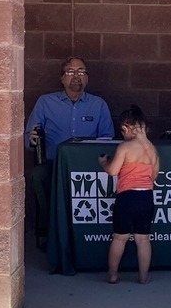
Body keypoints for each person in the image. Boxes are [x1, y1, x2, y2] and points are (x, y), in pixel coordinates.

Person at [25, 56, 114, 248]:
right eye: (71, 72)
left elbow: (108, 139)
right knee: (38, 175)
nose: (76, 76)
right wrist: (31, 139)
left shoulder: (99, 105)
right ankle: (52, 232)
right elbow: (27, 139)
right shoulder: (45, 102)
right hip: (53, 163)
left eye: (81, 71)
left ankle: (89, 237)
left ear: (87, 78)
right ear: (62, 78)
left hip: (87, 166)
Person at [98, 105, 159, 284]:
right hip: (146, 198)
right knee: (143, 239)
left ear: (125, 128)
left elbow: (113, 171)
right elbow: (154, 176)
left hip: (126, 198)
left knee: (120, 237)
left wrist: (104, 163)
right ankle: (143, 276)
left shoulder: (125, 147)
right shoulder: (153, 150)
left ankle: (113, 274)